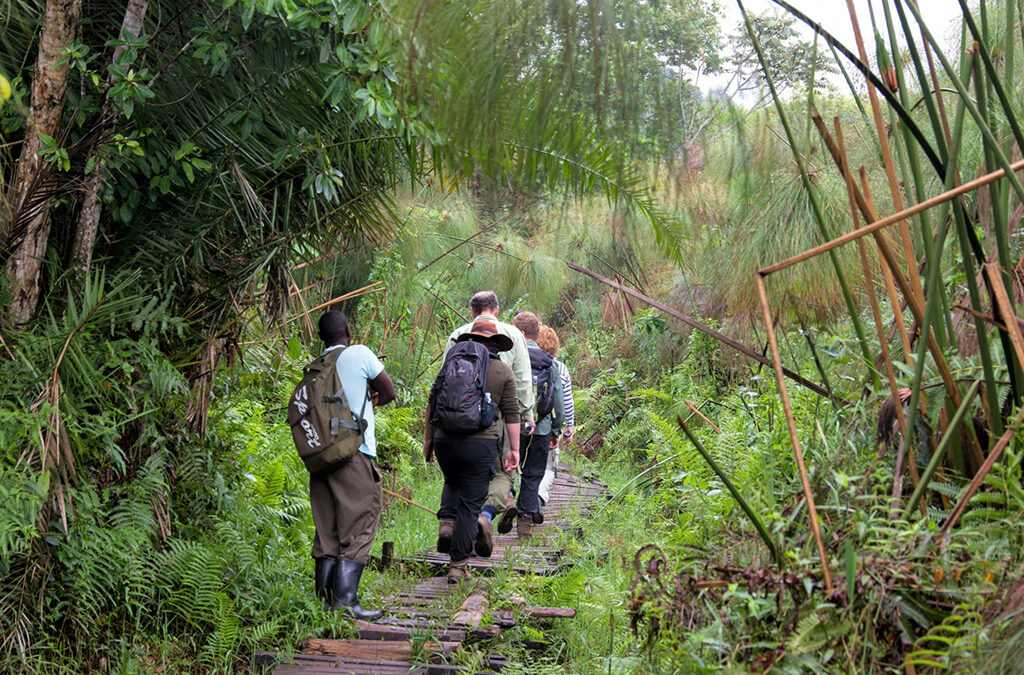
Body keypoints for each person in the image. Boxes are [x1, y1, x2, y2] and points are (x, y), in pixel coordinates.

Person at [310, 311, 395, 619]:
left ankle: (323, 604)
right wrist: (372, 399)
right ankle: (345, 601)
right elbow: (389, 391)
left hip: (320, 458)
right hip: (354, 453)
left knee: (327, 528)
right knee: (361, 522)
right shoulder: (359, 353)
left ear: (322, 338)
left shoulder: (315, 367)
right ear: (348, 330)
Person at [424, 319, 521, 583]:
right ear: (496, 344)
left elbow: (432, 402)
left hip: (445, 441)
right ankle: (458, 566)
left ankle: (446, 525)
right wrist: (514, 449)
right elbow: (512, 413)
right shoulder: (502, 370)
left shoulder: (451, 364)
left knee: (452, 481)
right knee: (470, 505)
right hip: (480, 445)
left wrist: (428, 441)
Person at [439, 291, 534, 551]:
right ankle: (485, 516)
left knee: (458, 477)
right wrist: (527, 416)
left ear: (472, 311)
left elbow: (441, 381)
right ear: (497, 309)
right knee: (503, 471)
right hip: (499, 419)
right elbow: (523, 381)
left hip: (453, 421)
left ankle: (449, 524)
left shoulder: (456, 335)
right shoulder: (514, 335)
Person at [510, 312, 563, 538]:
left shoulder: (508, 357)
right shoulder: (550, 361)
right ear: (536, 331)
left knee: (507, 467)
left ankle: (508, 500)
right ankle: (524, 521)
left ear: (518, 331)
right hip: (541, 427)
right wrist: (556, 430)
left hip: (511, 426)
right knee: (533, 473)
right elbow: (558, 398)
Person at [535, 324, 574, 517]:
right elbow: (566, 401)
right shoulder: (560, 367)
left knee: (525, 468)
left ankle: (524, 504)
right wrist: (567, 428)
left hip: (522, 424)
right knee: (549, 467)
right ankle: (539, 496)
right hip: (548, 426)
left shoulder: (523, 362)